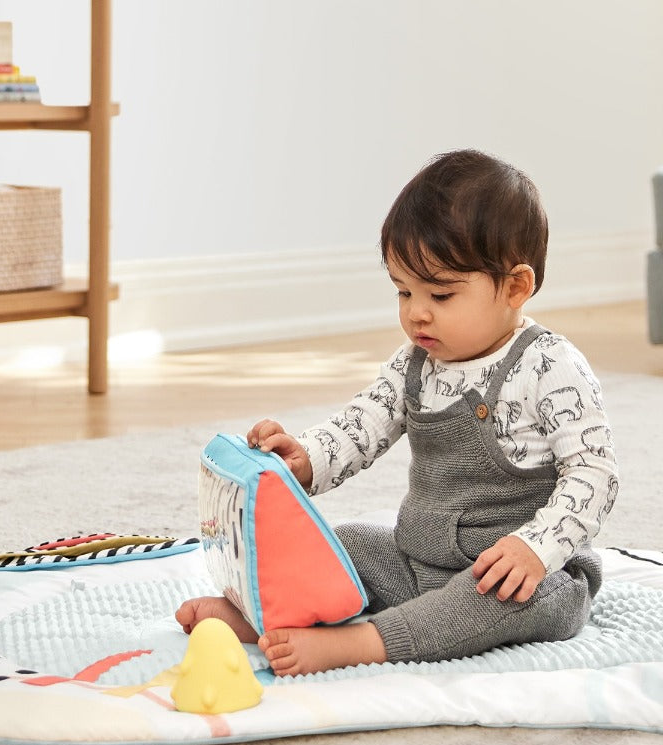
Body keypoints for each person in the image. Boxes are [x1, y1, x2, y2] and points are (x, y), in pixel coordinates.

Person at [176, 149, 619, 677]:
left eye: (440, 293)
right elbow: (361, 424)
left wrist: (535, 548)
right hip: (416, 562)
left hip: (523, 575)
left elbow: (595, 473)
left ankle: (361, 643)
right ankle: (267, 616)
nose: (415, 312)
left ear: (515, 287)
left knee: (496, 599)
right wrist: (305, 458)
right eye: (403, 291)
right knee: (344, 544)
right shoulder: (416, 363)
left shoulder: (550, 366)